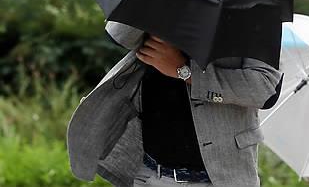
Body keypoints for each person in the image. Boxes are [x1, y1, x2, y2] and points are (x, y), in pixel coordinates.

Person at [66, 21, 283, 187]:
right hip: (150, 173)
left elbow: (266, 89)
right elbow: (119, 36)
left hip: (220, 177)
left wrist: (185, 72)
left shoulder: (254, 0)